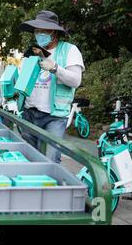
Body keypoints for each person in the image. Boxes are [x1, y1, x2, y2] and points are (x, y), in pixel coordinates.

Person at [18, 10, 85, 163]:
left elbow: (76, 81)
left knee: (50, 160)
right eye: (37, 31)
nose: (40, 34)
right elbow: (25, 80)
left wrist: (55, 68)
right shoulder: (33, 51)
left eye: (44, 31)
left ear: (54, 32)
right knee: (28, 160)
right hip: (29, 113)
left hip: (53, 117)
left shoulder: (69, 50)